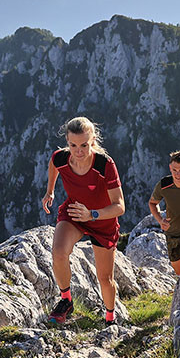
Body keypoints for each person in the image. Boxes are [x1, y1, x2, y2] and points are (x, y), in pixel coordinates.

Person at [41, 116, 125, 325]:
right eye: (73, 145)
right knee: (59, 253)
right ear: (67, 143)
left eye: (84, 145)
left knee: (105, 279)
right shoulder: (61, 158)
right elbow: (53, 164)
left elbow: (120, 206)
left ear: (93, 140)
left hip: (102, 221)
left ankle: (109, 318)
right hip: (75, 213)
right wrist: (50, 191)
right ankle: (66, 301)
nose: (78, 151)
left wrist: (93, 214)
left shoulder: (104, 164)